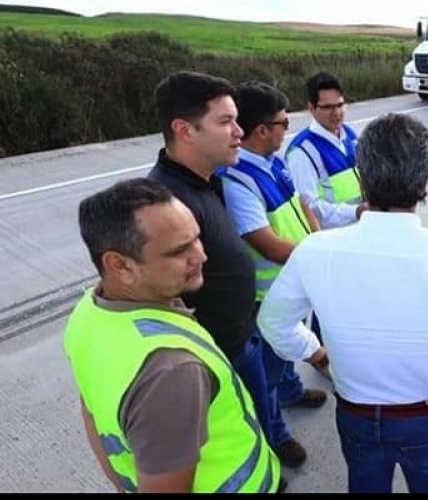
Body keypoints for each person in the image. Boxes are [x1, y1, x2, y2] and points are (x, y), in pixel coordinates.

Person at [257, 112, 428, 493]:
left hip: (356, 414)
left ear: (362, 178)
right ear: (425, 183)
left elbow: (274, 322)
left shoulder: (316, 251)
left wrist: (316, 352)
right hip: (427, 416)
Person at [63, 178, 281, 493]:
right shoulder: (172, 371)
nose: (201, 256)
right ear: (120, 265)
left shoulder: (89, 313)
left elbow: (91, 414)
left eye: (197, 239)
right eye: (180, 250)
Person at [146, 70, 301, 477]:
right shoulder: (166, 203)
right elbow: (160, 298)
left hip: (241, 333)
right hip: (219, 353)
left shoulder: (208, 180)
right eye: (225, 122)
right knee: (242, 439)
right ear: (184, 130)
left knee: (262, 420)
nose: (239, 132)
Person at [216, 81, 329, 467]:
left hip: (295, 281)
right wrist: (316, 256)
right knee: (267, 368)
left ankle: (292, 390)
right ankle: (275, 436)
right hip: (269, 295)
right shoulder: (238, 180)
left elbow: (302, 205)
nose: (287, 128)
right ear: (263, 129)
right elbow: (265, 242)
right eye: (283, 122)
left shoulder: (274, 162)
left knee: (285, 355)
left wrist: (319, 243)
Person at [285, 71, 367, 230]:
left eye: (340, 105)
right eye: (328, 107)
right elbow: (310, 207)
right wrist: (356, 211)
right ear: (311, 108)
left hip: (361, 228)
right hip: (334, 238)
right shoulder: (302, 152)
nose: (336, 112)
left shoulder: (349, 135)